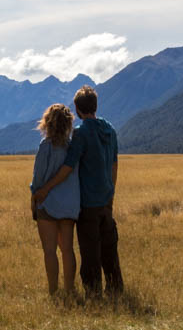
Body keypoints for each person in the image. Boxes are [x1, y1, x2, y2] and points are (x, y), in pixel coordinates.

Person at [32, 85, 123, 300]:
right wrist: (111, 194)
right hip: (104, 200)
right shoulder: (109, 129)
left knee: (90, 252)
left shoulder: (81, 134)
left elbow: (67, 168)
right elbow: (114, 165)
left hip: (88, 203)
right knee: (109, 249)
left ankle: (93, 295)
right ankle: (115, 290)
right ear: (96, 105)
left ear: (78, 109)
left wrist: (44, 189)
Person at [29, 104, 80, 300]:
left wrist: (34, 196)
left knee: (49, 250)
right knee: (67, 249)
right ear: (68, 123)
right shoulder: (72, 147)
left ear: (47, 122)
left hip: (47, 203)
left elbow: (38, 176)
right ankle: (70, 289)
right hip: (69, 205)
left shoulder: (46, 146)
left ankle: (53, 292)